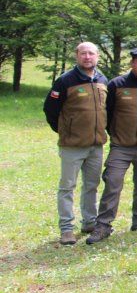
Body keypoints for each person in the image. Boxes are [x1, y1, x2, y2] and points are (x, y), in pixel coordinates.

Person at [86, 48, 137, 244]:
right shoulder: (117, 85)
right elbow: (107, 113)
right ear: (132, 63)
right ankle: (103, 225)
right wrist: (116, 133)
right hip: (121, 146)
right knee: (112, 182)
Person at [43, 42, 109, 245]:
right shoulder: (65, 81)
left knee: (92, 185)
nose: (87, 57)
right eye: (83, 53)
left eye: (91, 53)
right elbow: (50, 110)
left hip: (96, 145)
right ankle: (66, 229)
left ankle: (89, 222)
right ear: (77, 56)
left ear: (97, 56)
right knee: (67, 187)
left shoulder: (103, 80)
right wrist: (65, 131)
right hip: (72, 146)